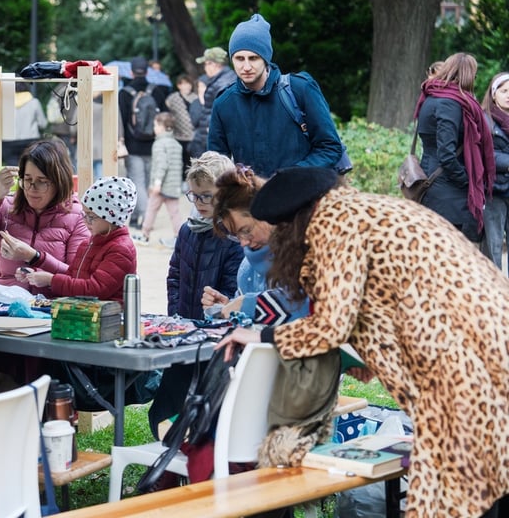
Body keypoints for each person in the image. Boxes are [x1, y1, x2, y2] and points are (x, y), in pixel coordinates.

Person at [218, 165, 509, 518]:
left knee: (448, 496)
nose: (250, 243)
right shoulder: (368, 212)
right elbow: (396, 299)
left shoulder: (334, 225)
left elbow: (329, 326)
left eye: (252, 231)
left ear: (288, 223)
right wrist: (365, 355)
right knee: (482, 482)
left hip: (462, 373)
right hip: (489, 349)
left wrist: (261, 334)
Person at [149, 152, 244, 438]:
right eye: (194, 196)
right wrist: (176, 315)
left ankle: (198, 447)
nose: (200, 203)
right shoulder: (187, 232)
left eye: (207, 196)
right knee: (174, 397)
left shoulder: (234, 239)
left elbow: (232, 291)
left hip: (216, 341)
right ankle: (176, 447)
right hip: (184, 330)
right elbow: (174, 274)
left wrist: (215, 313)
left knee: (207, 405)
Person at [207, 14, 342, 177]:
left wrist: (289, 177)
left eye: (254, 58)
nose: (246, 66)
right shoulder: (224, 103)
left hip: (303, 196)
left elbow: (330, 147)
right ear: (231, 59)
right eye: (239, 58)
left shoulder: (300, 89)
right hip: (253, 200)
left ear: (265, 58)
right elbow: (217, 163)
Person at [0, 139, 89, 296]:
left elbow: (78, 277)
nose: (32, 189)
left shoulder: (77, 216)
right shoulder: (7, 207)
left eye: (42, 182)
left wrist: (34, 257)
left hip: (52, 309)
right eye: (27, 180)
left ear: (59, 182)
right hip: (6, 307)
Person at [201, 164, 309, 325]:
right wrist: (227, 308)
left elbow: (311, 306)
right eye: (236, 235)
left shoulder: (306, 249)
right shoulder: (247, 268)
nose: (243, 242)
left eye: (246, 230)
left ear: (267, 213)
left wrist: (248, 305)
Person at [415, 52, 495, 243]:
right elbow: (447, 154)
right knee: (451, 253)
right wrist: (469, 181)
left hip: (433, 181)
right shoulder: (449, 103)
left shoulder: (431, 96)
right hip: (448, 191)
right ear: (467, 74)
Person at [21, 175, 138, 303]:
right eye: (84, 214)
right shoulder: (87, 244)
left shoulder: (120, 249)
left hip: (107, 318)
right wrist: (37, 275)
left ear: (112, 217)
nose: (86, 221)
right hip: (85, 314)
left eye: (91, 216)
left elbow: (95, 289)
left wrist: (51, 280)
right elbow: (72, 278)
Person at [119, 56, 169, 229]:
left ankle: (145, 219)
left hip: (133, 145)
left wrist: (122, 141)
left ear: (131, 72)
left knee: (135, 182)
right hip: (153, 144)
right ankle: (134, 218)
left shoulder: (124, 93)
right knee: (147, 183)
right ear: (147, 71)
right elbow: (165, 116)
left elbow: (122, 120)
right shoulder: (157, 91)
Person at [135, 112, 184, 245]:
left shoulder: (159, 144)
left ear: (162, 126)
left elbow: (162, 165)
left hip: (161, 186)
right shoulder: (176, 144)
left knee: (151, 209)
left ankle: (145, 235)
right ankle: (179, 238)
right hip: (173, 186)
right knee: (175, 213)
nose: (154, 128)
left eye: (155, 125)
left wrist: (157, 183)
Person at [481, 72, 509, 271]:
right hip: (494, 190)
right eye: (504, 90)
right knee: (494, 246)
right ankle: (494, 293)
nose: (508, 95)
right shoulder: (485, 119)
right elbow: (487, 154)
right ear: (493, 93)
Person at [187, 47, 236, 160]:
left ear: (214, 64)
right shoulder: (225, 79)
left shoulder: (222, 83)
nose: (205, 68)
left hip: (214, 139)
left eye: (206, 64)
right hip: (212, 136)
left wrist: (214, 129)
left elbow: (225, 114)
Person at [3, 81, 49, 166]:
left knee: (12, 169)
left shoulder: (4, 102)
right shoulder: (34, 102)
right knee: (30, 167)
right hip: (30, 140)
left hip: (9, 141)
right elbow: (43, 124)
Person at [164, 74, 198, 176]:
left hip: (193, 135)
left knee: (193, 161)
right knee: (180, 160)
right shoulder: (172, 98)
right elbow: (167, 112)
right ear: (179, 85)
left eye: (189, 84)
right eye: (184, 84)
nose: (187, 86)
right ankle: (182, 180)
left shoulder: (195, 98)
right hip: (178, 135)